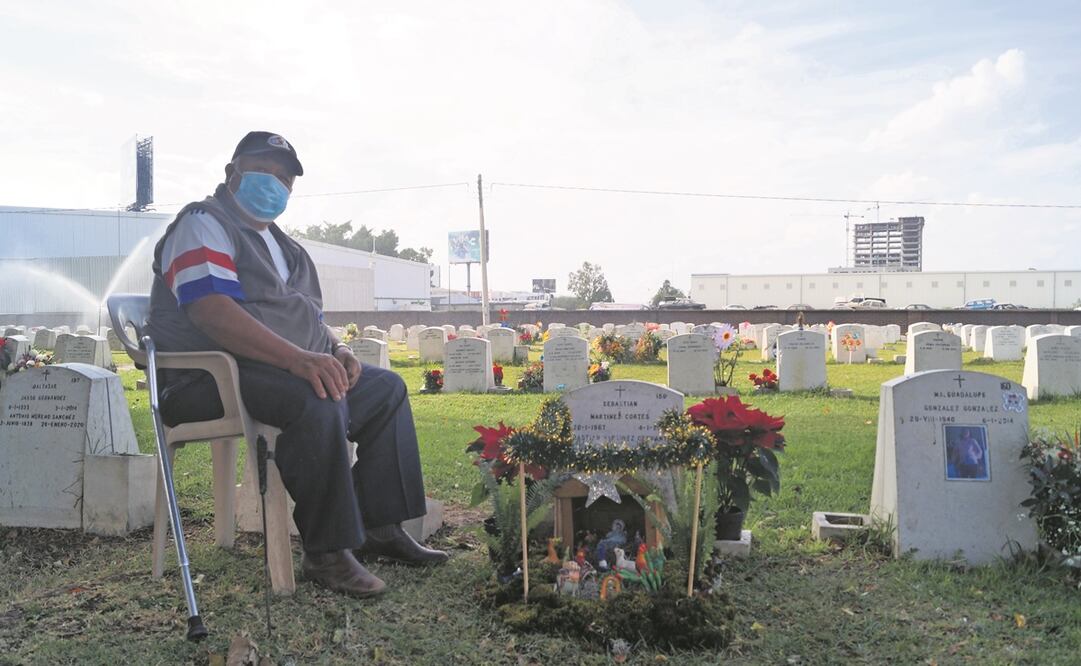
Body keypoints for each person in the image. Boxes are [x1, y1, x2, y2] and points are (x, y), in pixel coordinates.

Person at [146, 131, 447, 599]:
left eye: (284, 179)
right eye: (262, 171)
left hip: (272, 371)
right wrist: (299, 360)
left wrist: (337, 351)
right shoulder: (203, 224)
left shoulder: (284, 246)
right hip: (205, 379)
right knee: (316, 397)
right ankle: (326, 553)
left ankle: (380, 526)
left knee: (384, 389)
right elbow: (211, 311)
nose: (274, 184)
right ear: (232, 173)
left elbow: (308, 318)